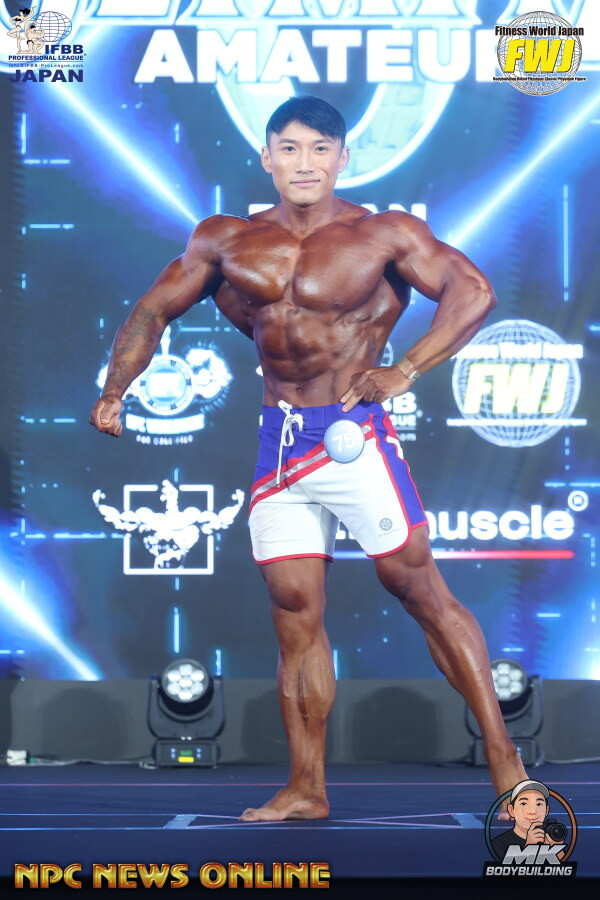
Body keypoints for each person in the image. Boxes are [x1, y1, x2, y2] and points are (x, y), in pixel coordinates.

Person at [89, 95, 528, 822]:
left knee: (419, 590)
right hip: (281, 443)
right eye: (289, 149)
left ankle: (505, 763)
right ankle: (306, 787)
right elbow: (153, 310)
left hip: (356, 435)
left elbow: (472, 290)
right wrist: (115, 390)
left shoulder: (382, 233)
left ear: (342, 158)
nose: (304, 163)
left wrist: (406, 368)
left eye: (320, 150)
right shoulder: (226, 239)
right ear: (266, 157)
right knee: (294, 611)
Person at [492, 780, 567, 862]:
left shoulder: (550, 837)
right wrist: (529, 846)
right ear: (511, 810)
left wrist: (556, 848)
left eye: (539, 804)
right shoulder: (499, 843)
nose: (532, 811)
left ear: (546, 810)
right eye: (524, 804)